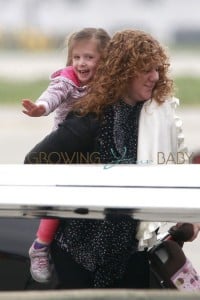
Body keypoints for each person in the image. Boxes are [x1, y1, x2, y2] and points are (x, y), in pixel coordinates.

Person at [24, 29, 200, 289]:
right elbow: (35, 161)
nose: (155, 77)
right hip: (80, 253)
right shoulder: (91, 117)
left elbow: (168, 165)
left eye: (157, 70)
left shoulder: (152, 116)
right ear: (124, 70)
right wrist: (83, 180)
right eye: (147, 70)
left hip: (130, 253)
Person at [23, 27, 111, 283]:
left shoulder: (106, 84)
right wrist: (40, 108)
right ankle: (40, 246)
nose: (81, 63)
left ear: (104, 60)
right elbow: (53, 95)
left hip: (89, 153)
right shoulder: (68, 79)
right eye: (77, 57)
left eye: (89, 57)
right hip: (65, 150)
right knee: (59, 199)